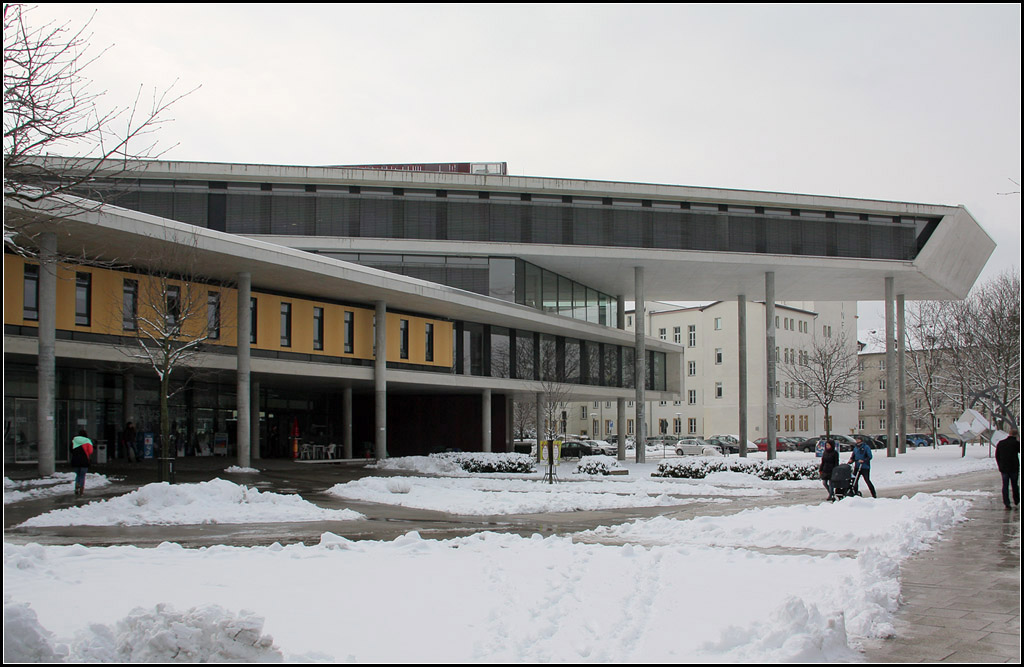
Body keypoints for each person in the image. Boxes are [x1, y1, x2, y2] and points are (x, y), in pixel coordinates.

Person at [995, 429, 1020, 510]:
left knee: (1005, 486)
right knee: (1014, 485)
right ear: (1016, 435)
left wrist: (1000, 465)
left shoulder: (1001, 443)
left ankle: (1007, 503)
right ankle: (1016, 500)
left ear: (1009, 434)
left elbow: (997, 456)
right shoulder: (1016, 444)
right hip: (1014, 468)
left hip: (1004, 468)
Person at [70, 429, 94, 496]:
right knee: (82, 475)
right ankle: (81, 488)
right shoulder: (87, 441)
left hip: (75, 460)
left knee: (78, 475)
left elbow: (71, 450)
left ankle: (77, 486)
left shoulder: (74, 440)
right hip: (84, 461)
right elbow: (90, 451)